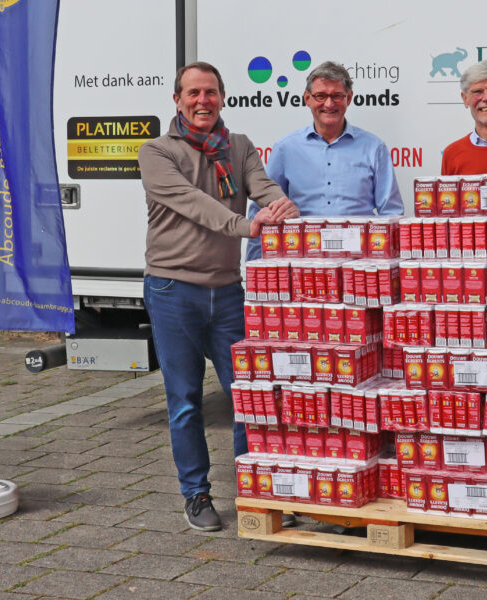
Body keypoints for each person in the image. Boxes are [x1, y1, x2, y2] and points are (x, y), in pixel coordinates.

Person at [139, 61, 299, 531]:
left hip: (227, 291)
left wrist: (277, 205)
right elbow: (194, 204)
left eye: (210, 92)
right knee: (186, 399)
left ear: (222, 97)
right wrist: (248, 225)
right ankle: (197, 494)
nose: (202, 100)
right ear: (177, 100)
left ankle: (255, 488)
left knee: (249, 395)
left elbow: (261, 185)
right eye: (193, 93)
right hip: (173, 289)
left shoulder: (240, 146)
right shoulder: (156, 152)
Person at [246, 61, 403, 260]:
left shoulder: (374, 148)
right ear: (307, 99)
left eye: (337, 96)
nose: (329, 104)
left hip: (359, 267)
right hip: (301, 264)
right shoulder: (285, 149)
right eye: (321, 96)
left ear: (349, 98)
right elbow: (262, 212)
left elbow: (392, 214)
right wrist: (255, 267)